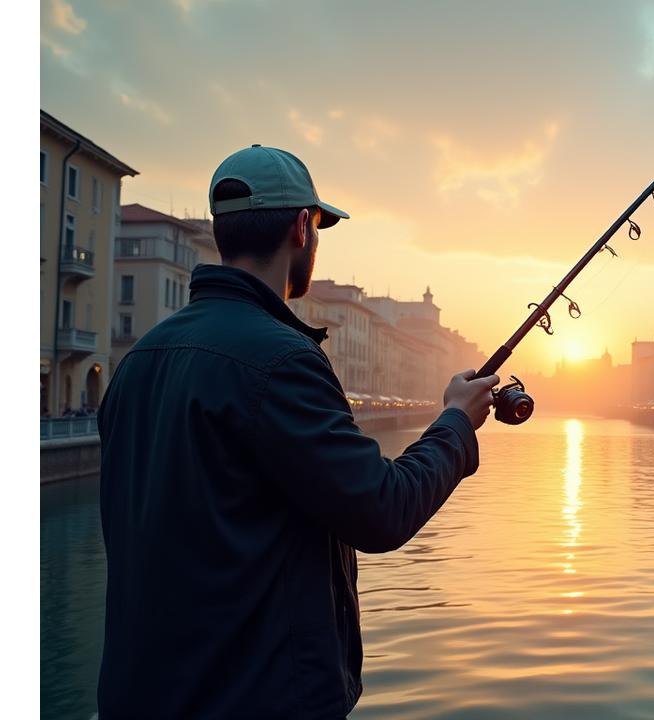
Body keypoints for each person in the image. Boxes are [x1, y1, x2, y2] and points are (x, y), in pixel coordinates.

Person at [95, 145, 500, 719]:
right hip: (252, 701)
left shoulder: (138, 360)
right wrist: (456, 422)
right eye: (318, 229)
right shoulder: (282, 359)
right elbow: (382, 509)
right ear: (301, 227)